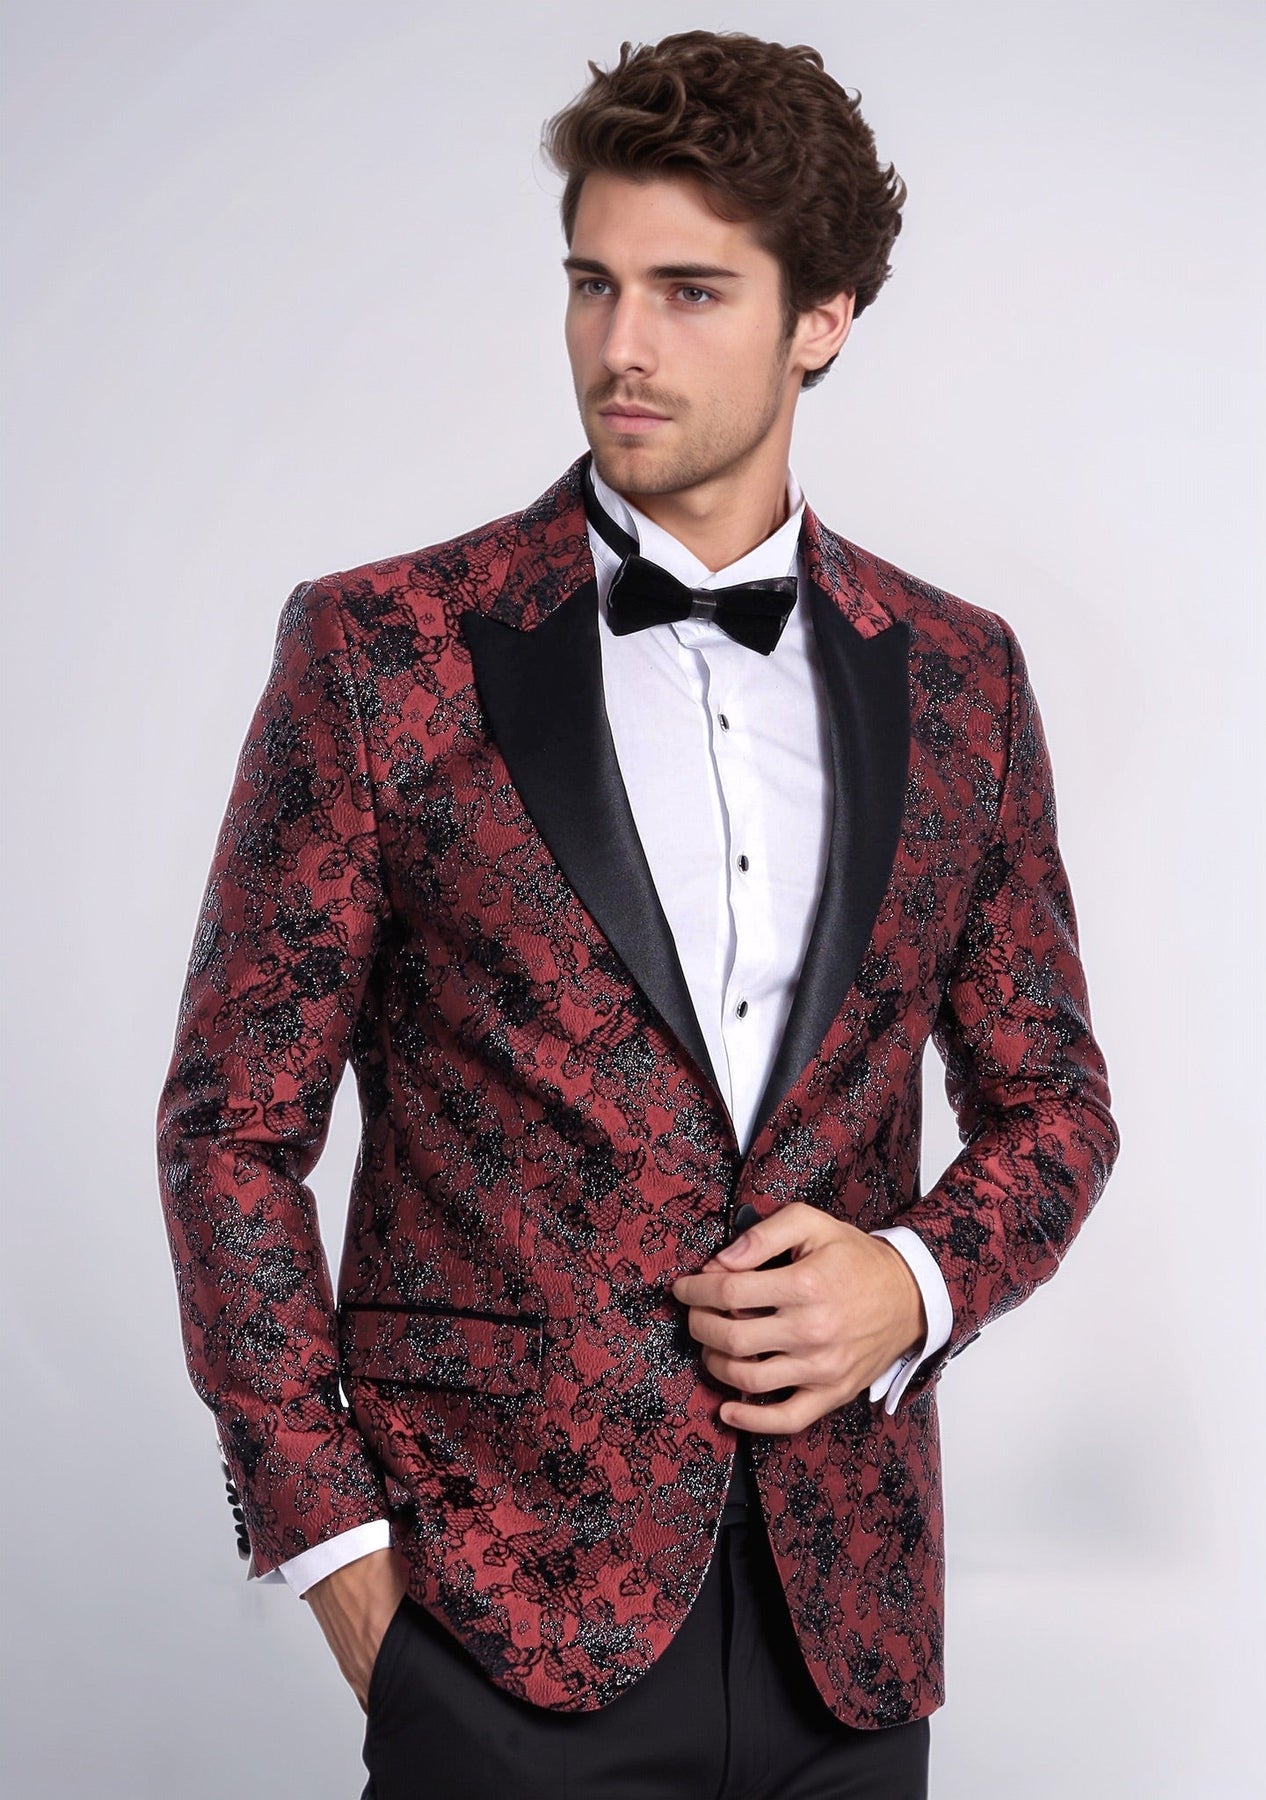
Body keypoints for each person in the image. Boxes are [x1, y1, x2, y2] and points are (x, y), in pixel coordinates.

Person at [157, 29, 1118, 1800]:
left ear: (821, 317)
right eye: (592, 282)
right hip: (498, 1627)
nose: (620, 346)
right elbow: (231, 1130)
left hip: (847, 1641)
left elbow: (1053, 1103)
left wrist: (911, 1282)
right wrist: (339, 1558)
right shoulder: (380, 652)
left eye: (689, 291)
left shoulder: (960, 678)